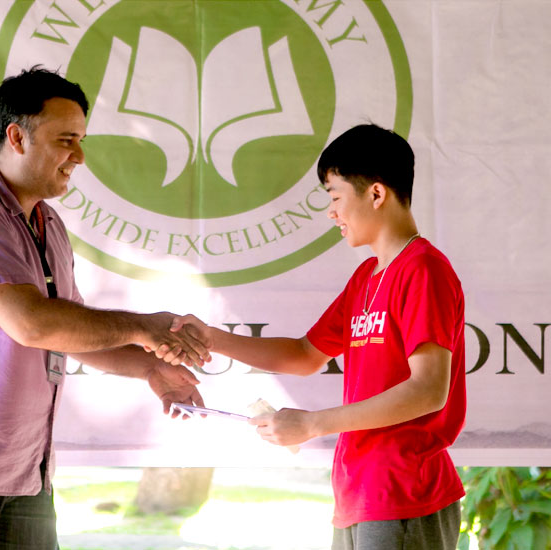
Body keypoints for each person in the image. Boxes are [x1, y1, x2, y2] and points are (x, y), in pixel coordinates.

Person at [0, 66, 210, 550]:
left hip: (24, 473)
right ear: (16, 137)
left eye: (81, 141)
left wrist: (150, 369)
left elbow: (67, 334)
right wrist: (144, 327)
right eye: (66, 140)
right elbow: (31, 324)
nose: (80, 157)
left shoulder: (47, 222)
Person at [169, 124, 466, 549]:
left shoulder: (423, 269)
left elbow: (428, 391)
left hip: (403, 493)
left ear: (376, 194)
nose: (331, 213)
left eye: (335, 197)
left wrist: (311, 424)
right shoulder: (366, 277)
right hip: (357, 494)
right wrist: (212, 338)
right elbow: (304, 354)